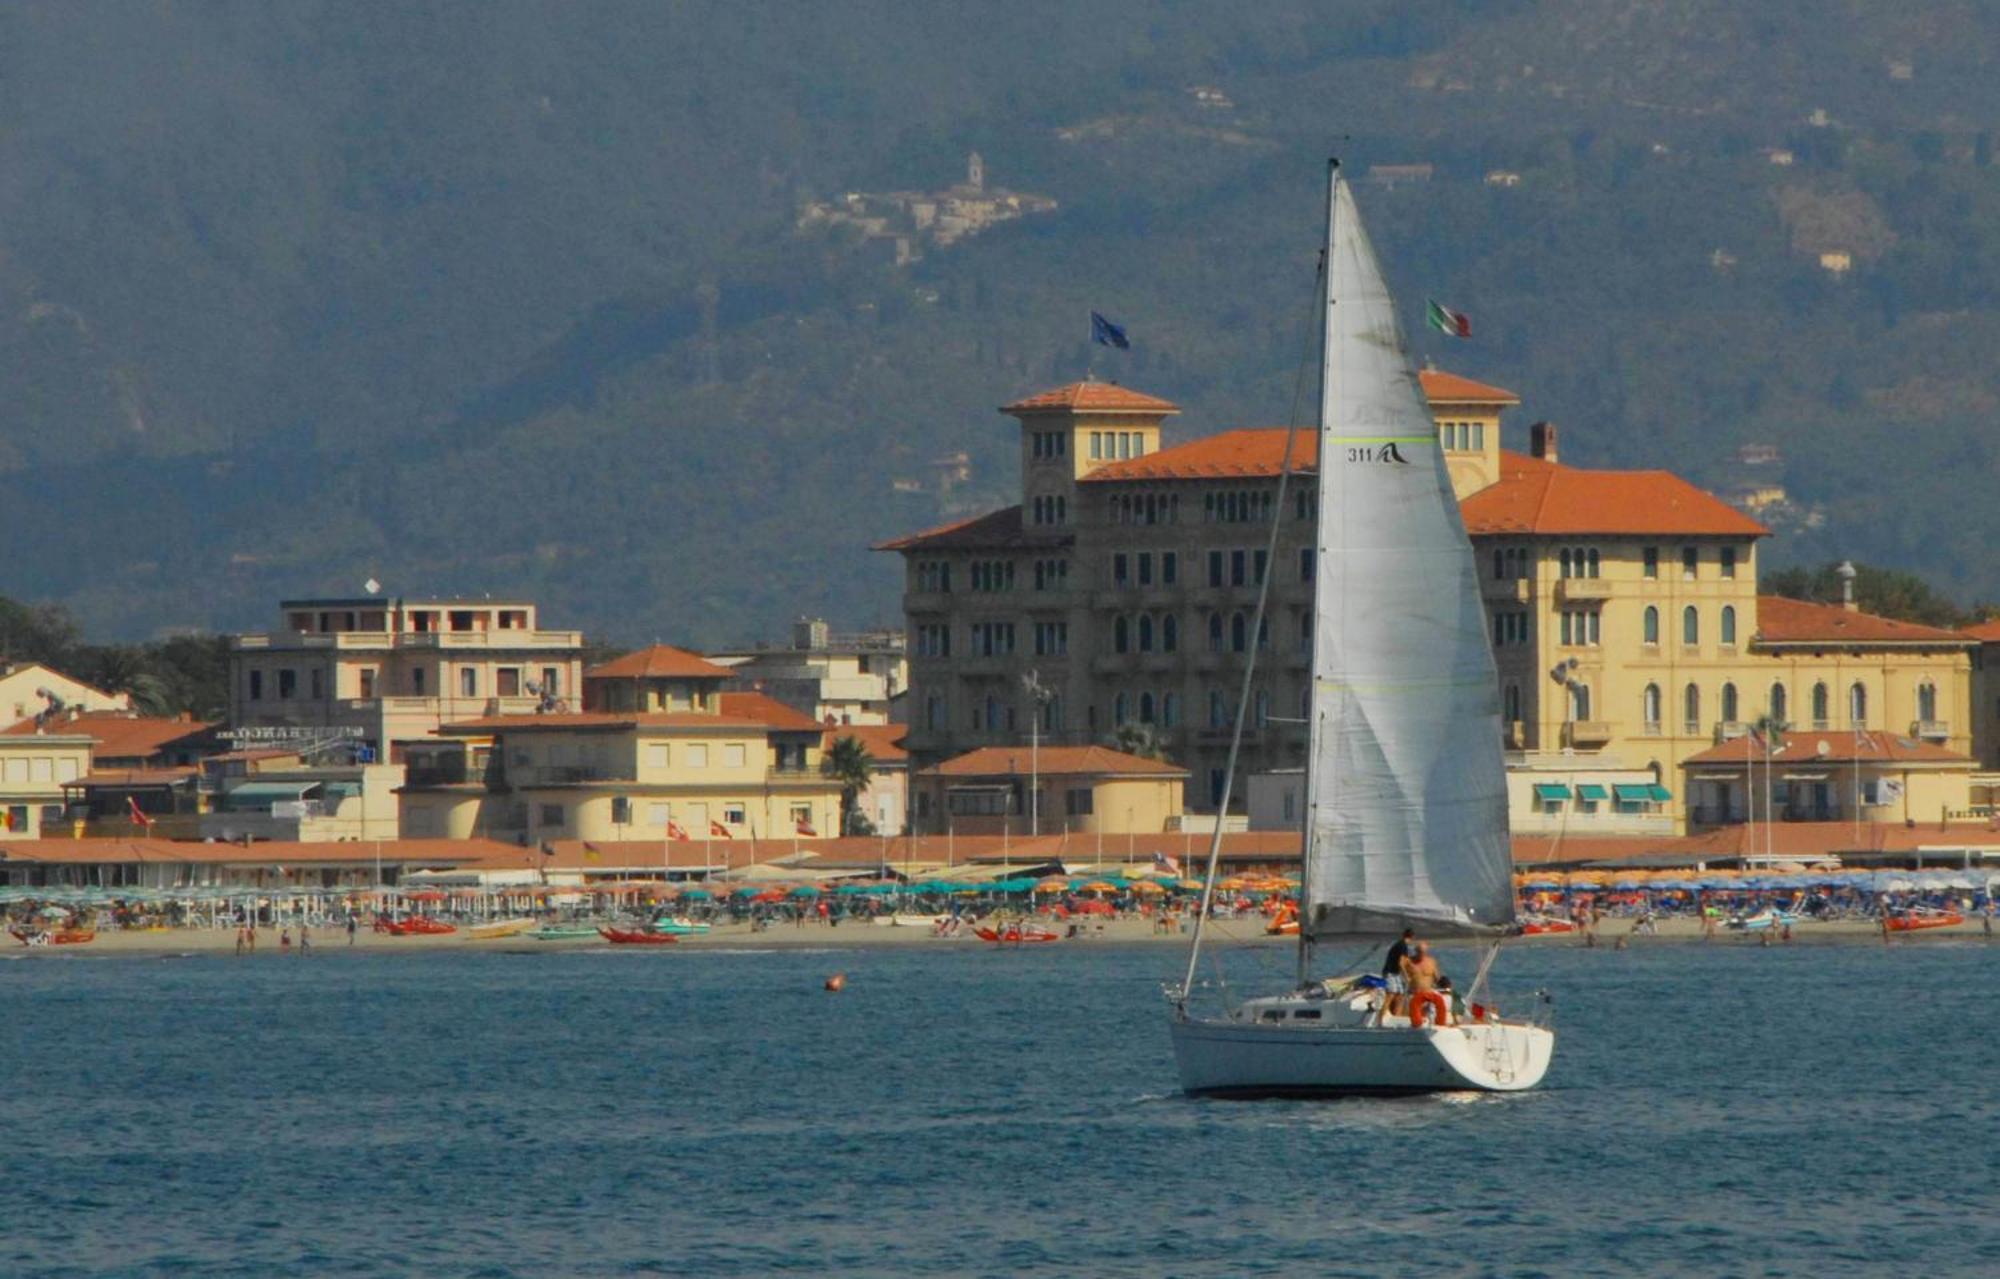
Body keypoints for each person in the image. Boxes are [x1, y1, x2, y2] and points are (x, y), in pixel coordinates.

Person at [1403, 942, 1447, 1027]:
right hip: (1414, 995)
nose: (1421, 954)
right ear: (1416, 951)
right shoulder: (1409, 961)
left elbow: (1437, 977)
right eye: (1419, 951)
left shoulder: (1431, 961)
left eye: (1423, 952)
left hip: (1429, 995)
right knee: (1415, 1019)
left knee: (1429, 1017)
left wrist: (1444, 987)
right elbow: (1400, 968)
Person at [1381, 928, 1415, 1016]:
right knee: (1390, 995)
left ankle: (1396, 1016)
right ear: (1412, 937)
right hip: (1390, 973)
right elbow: (1401, 963)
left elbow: (1406, 961)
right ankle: (1380, 1020)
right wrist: (1406, 976)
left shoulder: (1402, 945)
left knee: (1400, 995)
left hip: (1395, 973)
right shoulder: (1402, 945)